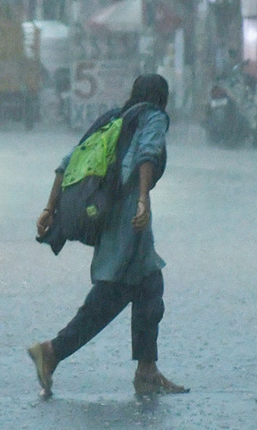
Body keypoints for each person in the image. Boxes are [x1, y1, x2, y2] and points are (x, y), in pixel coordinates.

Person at [28, 74, 188, 397]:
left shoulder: (113, 119)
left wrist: (49, 209)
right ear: (163, 99)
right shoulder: (153, 117)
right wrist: (142, 199)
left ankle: (146, 370)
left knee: (149, 285)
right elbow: (148, 154)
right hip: (129, 217)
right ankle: (53, 351)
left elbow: (67, 163)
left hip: (110, 212)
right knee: (110, 294)